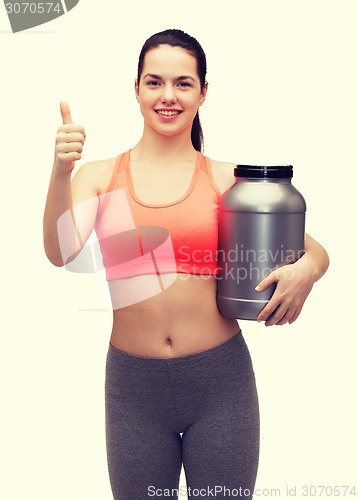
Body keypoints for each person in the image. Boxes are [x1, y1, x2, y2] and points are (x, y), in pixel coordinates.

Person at [43, 29, 329, 500]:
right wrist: (60, 171)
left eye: (183, 83)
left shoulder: (224, 180)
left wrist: (305, 272)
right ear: (135, 89)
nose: (168, 96)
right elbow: (60, 252)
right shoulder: (99, 177)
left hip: (221, 385)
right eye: (154, 82)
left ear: (203, 92)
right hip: (133, 389)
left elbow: (314, 250)